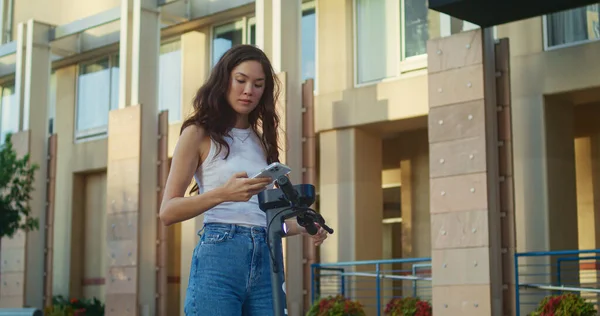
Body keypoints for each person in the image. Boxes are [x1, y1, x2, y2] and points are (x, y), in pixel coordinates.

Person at [159, 44, 328, 316]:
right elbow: (167, 211)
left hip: (267, 253)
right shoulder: (198, 134)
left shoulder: (263, 143)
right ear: (224, 80)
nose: (249, 90)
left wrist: (302, 226)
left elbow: (267, 221)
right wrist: (224, 194)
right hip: (219, 255)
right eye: (241, 80)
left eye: (258, 84)